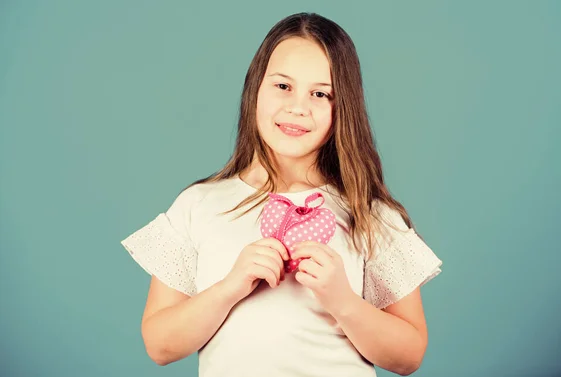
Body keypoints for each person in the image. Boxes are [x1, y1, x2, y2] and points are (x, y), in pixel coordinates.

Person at [120, 12, 442, 377]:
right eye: (283, 86)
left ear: (343, 108)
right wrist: (229, 288)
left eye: (320, 93)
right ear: (255, 87)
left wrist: (343, 301)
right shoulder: (198, 205)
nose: (297, 107)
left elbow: (408, 356)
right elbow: (159, 345)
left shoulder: (369, 214)